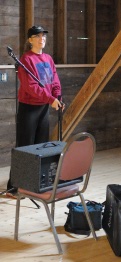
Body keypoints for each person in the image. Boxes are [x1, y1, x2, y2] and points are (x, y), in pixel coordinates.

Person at [6, 25, 65, 197]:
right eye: (38, 36)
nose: (42, 39)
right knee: (25, 147)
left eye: (43, 36)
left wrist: (57, 97)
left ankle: (34, 183)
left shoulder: (47, 58)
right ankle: (14, 186)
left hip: (43, 108)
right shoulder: (26, 60)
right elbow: (31, 87)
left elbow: (54, 79)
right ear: (30, 40)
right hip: (29, 108)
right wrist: (50, 99)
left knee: (41, 145)